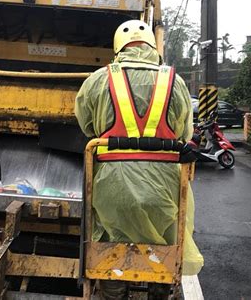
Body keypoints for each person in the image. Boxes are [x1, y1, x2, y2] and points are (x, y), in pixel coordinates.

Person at [75, 19, 203, 300]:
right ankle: (159, 289)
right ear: (151, 47)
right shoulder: (175, 81)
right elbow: (185, 132)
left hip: (112, 188)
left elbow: (86, 125)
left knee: (110, 242)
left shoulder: (99, 78)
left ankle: (114, 288)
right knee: (166, 243)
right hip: (165, 187)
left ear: (118, 48)